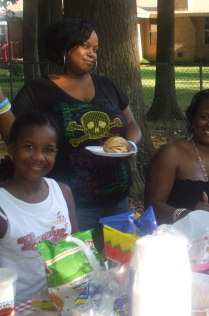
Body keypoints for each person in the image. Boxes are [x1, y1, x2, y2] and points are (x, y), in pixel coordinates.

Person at [11, 18, 142, 231]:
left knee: (119, 261)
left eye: (95, 49)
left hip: (117, 202)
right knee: (82, 263)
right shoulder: (37, 91)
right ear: (64, 46)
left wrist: (130, 144)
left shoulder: (107, 85)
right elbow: (14, 137)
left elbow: (132, 124)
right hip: (71, 205)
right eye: (85, 45)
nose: (93, 53)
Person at [0, 112, 78, 304]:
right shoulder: (4, 207)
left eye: (48, 149)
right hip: (17, 312)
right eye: (29, 147)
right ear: (12, 149)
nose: (38, 157)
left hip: (63, 302)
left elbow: (77, 247)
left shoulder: (62, 192)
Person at [144, 88, 209, 224]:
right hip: (175, 239)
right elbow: (151, 207)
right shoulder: (171, 153)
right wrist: (187, 215)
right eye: (204, 117)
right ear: (192, 117)